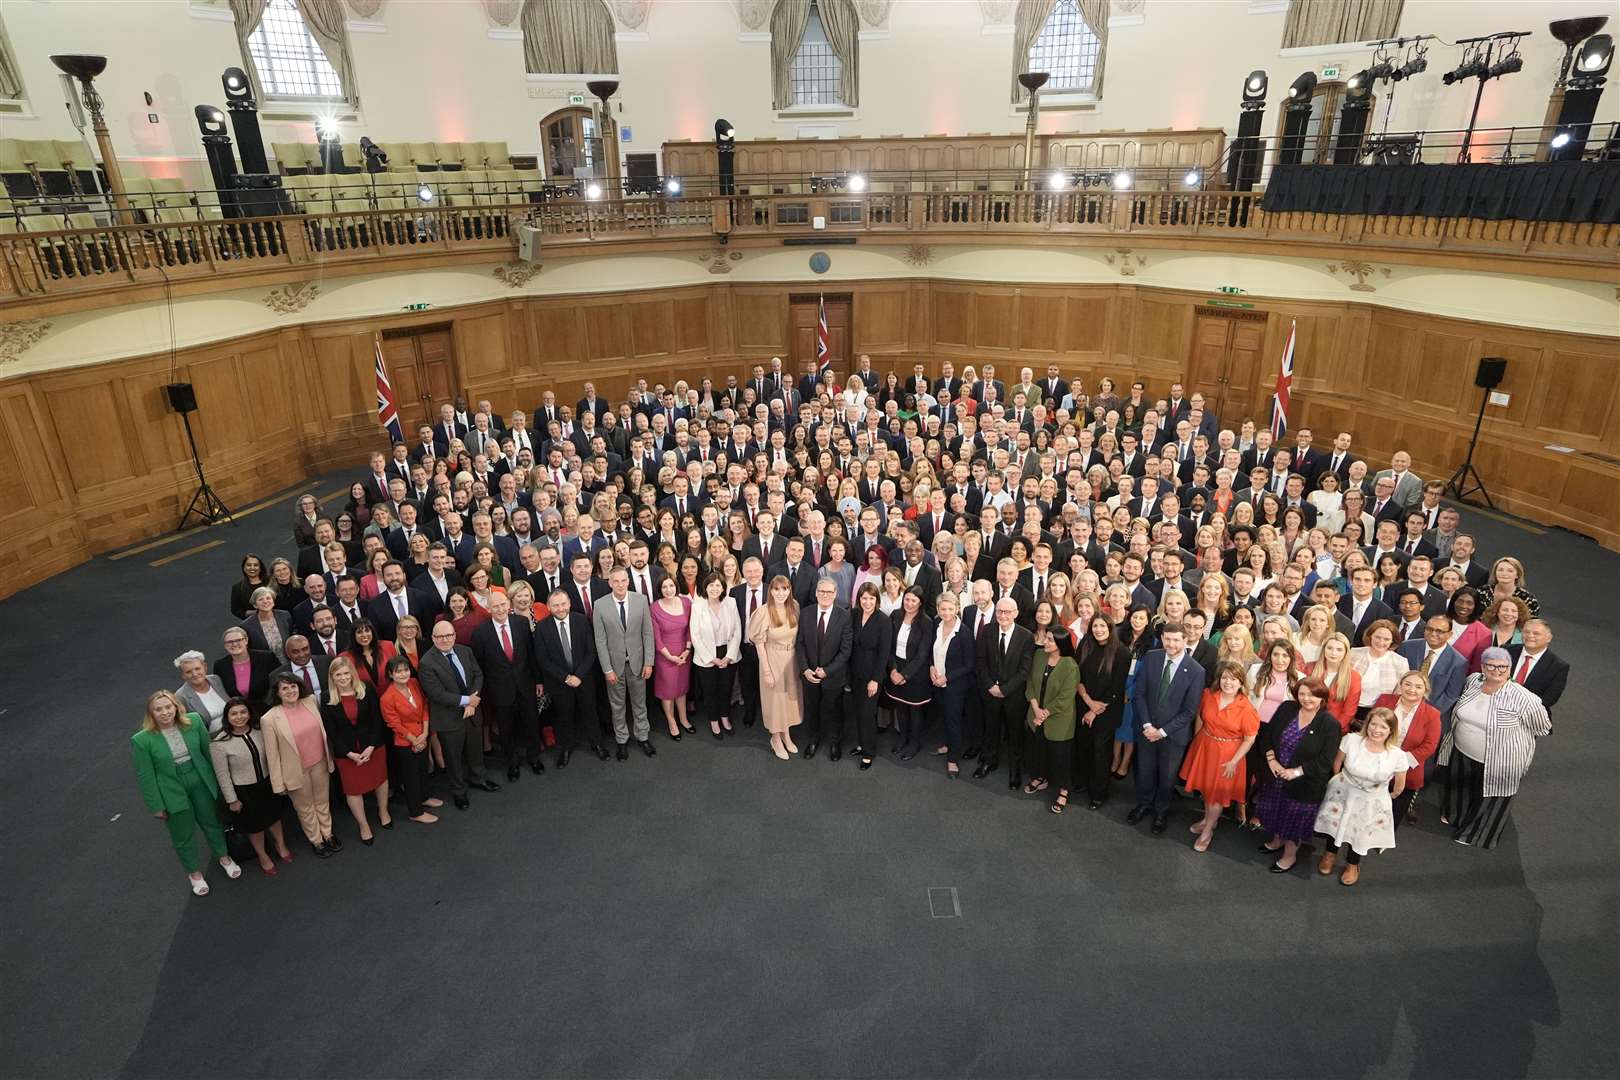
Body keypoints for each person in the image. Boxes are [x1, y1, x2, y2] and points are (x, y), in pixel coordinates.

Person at [1441, 646, 1552, 849]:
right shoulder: (1473, 681)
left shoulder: (1524, 698)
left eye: (1502, 666)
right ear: (1483, 667)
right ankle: (1457, 816)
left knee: (1491, 799)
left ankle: (1474, 835)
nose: (1496, 670)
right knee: (1462, 788)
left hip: (1502, 759)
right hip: (1462, 750)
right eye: (1491, 665)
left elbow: (1543, 727)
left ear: (1509, 668)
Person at [132, 690, 241, 895]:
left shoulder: (193, 721)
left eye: (167, 707)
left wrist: (218, 783)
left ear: (175, 707)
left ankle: (224, 856)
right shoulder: (142, 740)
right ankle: (194, 873)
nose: (164, 713)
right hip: (171, 788)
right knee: (183, 834)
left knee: (211, 821)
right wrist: (156, 805)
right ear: (151, 713)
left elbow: (207, 752)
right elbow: (145, 776)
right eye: (158, 709)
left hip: (199, 777)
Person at [1314, 708, 1416, 886]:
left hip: (1371, 798)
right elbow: (1337, 763)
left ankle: (1353, 864)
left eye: (1383, 727)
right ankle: (1330, 854)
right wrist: (1341, 782)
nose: (1376, 730)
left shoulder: (1397, 755)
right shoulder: (1351, 740)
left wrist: (1386, 796)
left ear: (1391, 730)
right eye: (1373, 724)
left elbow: (1400, 785)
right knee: (1335, 823)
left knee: (1360, 831)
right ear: (1367, 724)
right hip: (1344, 791)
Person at [1126, 622, 1206, 835]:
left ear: (1185, 640)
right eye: (1167, 639)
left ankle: (1161, 812)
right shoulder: (1151, 657)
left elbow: (1189, 712)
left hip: (1172, 736)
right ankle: (1143, 804)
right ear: (1162, 639)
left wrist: (1161, 732)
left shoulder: (1196, 671)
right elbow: (1140, 693)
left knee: (1167, 777)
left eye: (1176, 640)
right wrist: (1147, 725)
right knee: (1144, 771)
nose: (1171, 644)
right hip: (1146, 729)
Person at [1255, 679, 1342, 873]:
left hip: (1304, 782)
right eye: (1302, 694)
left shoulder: (1329, 724)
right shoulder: (1287, 708)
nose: (1306, 699)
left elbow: (1325, 761)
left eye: (1312, 695)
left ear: (1322, 697)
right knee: (1275, 810)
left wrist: (1295, 772)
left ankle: (1289, 856)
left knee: (1292, 819)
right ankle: (1276, 841)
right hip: (1276, 775)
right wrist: (1272, 761)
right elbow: (1268, 736)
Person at [1179, 661, 1260, 852]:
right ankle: (1209, 820)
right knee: (1207, 790)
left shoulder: (1247, 709)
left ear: (1241, 683)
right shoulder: (1208, 695)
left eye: (1233, 679)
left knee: (1216, 796)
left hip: (1228, 756)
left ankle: (1207, 831)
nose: (1228, 682)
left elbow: (1249, 740)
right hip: (1205, 747)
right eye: (1224, 677)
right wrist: (1197, 739)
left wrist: (1234, 761)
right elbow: (1200, 716)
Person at [419, 619, 500, 806]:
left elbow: (478, 675)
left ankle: (478, 778)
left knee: (475, 750)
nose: (445, 639)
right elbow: (436, 694)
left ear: (454, 635)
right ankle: (458, 791)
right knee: (453, 758)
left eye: (449, 635)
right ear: (433, 638)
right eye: (440, 636)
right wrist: (467, 701)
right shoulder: (427, 662)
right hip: (448, 718)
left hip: (471, 713)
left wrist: (473, 702)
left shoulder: (465, 651)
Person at [208, 697, 292, 875]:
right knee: (255, 826)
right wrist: (232, 799)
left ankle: (281, 844)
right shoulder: (219, 743)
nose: (239, 717)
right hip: (244, 790)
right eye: (234, 713)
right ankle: (262, 854)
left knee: (274, 817)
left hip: (267, 783)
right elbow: (222, 775)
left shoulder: (260, 730)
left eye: (243, 712)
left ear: (249, 712)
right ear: (227, 716)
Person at [260, 673, 340, 857]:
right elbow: (272, 755)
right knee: (305, 807)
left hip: (319, 762)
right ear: (277, 693)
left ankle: (328, 834)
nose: (290, 691)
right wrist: (278, 784)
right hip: (295, 770)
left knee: (322, 801)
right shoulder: (269, 718)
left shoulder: (311, 701)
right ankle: (316, 840)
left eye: (293, 686)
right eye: (285, 688)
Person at [320, 656, 391, 844]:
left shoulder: (366, 688)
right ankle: (363, 825)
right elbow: (331, 731)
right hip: (347, 753)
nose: (343, 678)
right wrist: (349, 754)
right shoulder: (327, 697)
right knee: (353, 789)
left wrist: (371, 746)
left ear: (352, 674)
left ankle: (383, 811)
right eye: (338, 675)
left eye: (346, 674)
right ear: (332, 677)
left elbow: (377, 719)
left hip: (373, 746)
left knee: (380, 780)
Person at [470, 592, 541, 779]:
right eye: (495, 606)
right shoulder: (480, 633)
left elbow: (531, 655)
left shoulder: (521, 623)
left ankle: (534, 758)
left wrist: (538, 680)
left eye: (503, 605)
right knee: (506, 728)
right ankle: (512, 762)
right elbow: (480, 665)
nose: (500, 609)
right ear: (489, 609)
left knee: (531, 722)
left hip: (526, 684)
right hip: (500, 690)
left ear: (508, 604)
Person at [592, 567, 657, 759]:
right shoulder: (600, 605)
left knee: (640, 703)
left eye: (623, 580)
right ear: (610, 583)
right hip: (614, 667)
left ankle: (643, 736)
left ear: (628, 581)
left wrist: (649, 662)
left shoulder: (641, 600)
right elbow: (600, 641)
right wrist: (607, 669)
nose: (620, 584)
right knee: (617, 705)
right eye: (616, 581)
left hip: (638, 663)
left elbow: (648, 633)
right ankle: (621, 740)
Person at [534, 589, 603, 766]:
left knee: (590, 711)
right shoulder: (542, 627)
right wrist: (566, 677)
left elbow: (591, 651)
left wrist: (578, 676)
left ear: (570, 603)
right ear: (548, 607)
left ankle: (596, 743)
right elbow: (542, 659)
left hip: (584, 678)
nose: (560, 608)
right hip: (559, 681)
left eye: (563, 604)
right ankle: (566, 748)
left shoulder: (581, 620)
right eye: (555, 605)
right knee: (564, 715)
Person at [972, 597, 1035, 788]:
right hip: (990, 692)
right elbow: (980, 662)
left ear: (1016, 613)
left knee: (1015, 733)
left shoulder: (1026, 636)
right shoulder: (987, 631)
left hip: (1014, 696)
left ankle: (1015, 770)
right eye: (999, 611)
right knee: (990, 729)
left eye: (1007, 612)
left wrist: (1004, 690)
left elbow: (1025, 671)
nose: (1003, 615)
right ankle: (988, 761)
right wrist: (991, 686)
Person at [377, 656, 441, 824]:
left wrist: (425, 733)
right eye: (398, 671)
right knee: (411, 777)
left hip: (422, 734)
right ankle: (416, 811)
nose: (403, 674)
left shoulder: (414, 682)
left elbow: (425, 707)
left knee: (423, 769)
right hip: (405, 742)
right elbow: (394, 724)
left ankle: (424, 797)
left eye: (406, 670)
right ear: (391, 674)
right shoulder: (387, 698)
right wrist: (415, 740)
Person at [796, 577, 854, 760]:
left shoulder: (844, 615)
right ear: (816, 593)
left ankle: (835, 742)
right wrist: (805, 669)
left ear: (835, 594)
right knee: (812, 709)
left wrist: (827, 670)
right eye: (822, 591)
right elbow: (800, 644)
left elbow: (846, 650)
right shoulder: (805, 613)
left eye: (829, 592)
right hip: (810, 675)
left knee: (834, 710)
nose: (825, 595)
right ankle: (813, 740)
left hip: (833, 675)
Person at [1076, 614, 1129, 810]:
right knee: (1083, 746)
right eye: (1095, 626)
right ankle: (1083, 781)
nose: (1098, 630)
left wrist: (1094, 710)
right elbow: (1077, 676)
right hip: (1084, 703)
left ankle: (1099, 793)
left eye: (1102, 626)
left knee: (1100, 752)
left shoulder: (1122, 652)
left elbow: (1116, 688)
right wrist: (1088, 702)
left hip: (1107, 710)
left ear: (1110, 627)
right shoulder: (1085, 645)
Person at [1376, 670, 1442, 828]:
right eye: (1408, 684)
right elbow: (1371, 728)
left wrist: (1399, 762)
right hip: (1376, 762)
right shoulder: (1384, 700)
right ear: (1400, 685)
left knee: (1394, 813)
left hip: (1407, 771)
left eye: (1418, 686)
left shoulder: (1432, 714)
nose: (1412, 689)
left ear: (1425, 691)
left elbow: (1429, 746)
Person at [1024, 626, 1079, 813]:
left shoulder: (1070, 665)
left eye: (1050, 640)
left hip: (1058, 721)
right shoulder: (1039, 655)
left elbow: (1065, 698)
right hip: (1035, 714)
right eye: (1046, 638)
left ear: (1060, 644)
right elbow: (1030, 682)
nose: (1045, 642)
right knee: (1037, 750)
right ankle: (1040, 777)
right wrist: (1035, 708)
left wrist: (1044, 713)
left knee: (1060, 757)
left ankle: (1063, 790)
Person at [748, 574, 803, 760]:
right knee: (775, 701)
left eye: (785, 589)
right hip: (773, 659)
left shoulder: (794, 606)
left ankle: (786, 734)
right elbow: (759, 644)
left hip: (792, 660)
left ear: (790, 590)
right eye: (777, 589)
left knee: (788, 699)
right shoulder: (763, 612)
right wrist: (766, 671)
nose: (781, 593)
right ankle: (776, 738)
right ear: (770, 590)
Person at [928, 591, 977, 777]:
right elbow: (930, 650)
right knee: (944, 716)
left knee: (954, 720)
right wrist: (931, 667)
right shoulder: (936, 625)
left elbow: (969, 664)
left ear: (957, 608)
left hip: (954, 685)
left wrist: (946, 678)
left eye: (950, 608)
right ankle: (948, 745)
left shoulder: (964, 632)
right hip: (936, 681)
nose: (946, 612)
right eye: (943, 608)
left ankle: (953, 760)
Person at [690, 573, 742, 740]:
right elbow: (695, 635)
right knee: (710, 690)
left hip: (728, 653)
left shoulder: (731, 603)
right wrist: (711, 659)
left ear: (723, 588)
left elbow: (737, 632)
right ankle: (714, 720)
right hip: (706, 656)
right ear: (705, 587)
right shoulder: (697, 606)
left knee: (725, 689)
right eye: (711, 585)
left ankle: (725, 717)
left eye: (718, 585)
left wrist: (729, 656)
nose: (714, 588)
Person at [886, 589, 936, 760]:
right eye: (907, 599)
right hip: (896, 668)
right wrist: (893, 669)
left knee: (914, 710)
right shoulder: (895, 615)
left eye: (913, 601)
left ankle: (914, 743)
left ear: (920, 602)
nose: (909, 603)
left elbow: (922, 655)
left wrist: (904, 675)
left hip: (915, 673)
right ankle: (903, 738)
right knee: (900, 707)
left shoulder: (926, 622)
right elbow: (889, 646)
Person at [848, 582, 892, 770]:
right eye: (864, 598)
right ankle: (862, 743)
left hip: (872, 676)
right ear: (859, 599)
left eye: (871, 598)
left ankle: (868, 752)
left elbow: (884, 654)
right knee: (858, 711)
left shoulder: (883, 620)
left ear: (877, 600)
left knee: (867, 714)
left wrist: (876, 679)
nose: (867, 602)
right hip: (855, 672)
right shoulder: (854, 615)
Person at [650, 575, 695, 740]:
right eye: (664, 587)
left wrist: (687, 650)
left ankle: (683, 719)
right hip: (665, 656)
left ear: (676, 586)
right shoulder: (654, 607)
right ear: (659, 590)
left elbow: (691, 627)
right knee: (668, 691)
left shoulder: (686, 603)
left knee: (681, 688)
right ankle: (671, 721)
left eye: (671, 586)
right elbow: (657, 637)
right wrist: (670, 657)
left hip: (684, 653)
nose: (668, 590)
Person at [1350, 620, 1408, 717]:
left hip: (1381, 714)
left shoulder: (1400, 663)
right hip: (1350, 708)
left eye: (1386, 639)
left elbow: (1399, 693)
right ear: (1370, 636)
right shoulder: (1353, 654)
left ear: (1392, 641)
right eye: (1377, 637)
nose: (1381, 642)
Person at [173, 650, 229, 733]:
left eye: (197, 669)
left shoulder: (216, 680)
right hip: (213, 739)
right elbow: (185, 727)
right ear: (183, 675)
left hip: (235, 729)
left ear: (205, 667)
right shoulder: (180, 696)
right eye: (188, 672)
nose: (195, 674)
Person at [240, 586, 292, 661]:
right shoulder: (246, 626)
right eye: (260, 599)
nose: (265, 601)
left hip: (289, 661)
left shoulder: (285, 615)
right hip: (265, 665)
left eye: (268, 598)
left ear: (273, 601)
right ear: (255, 605)